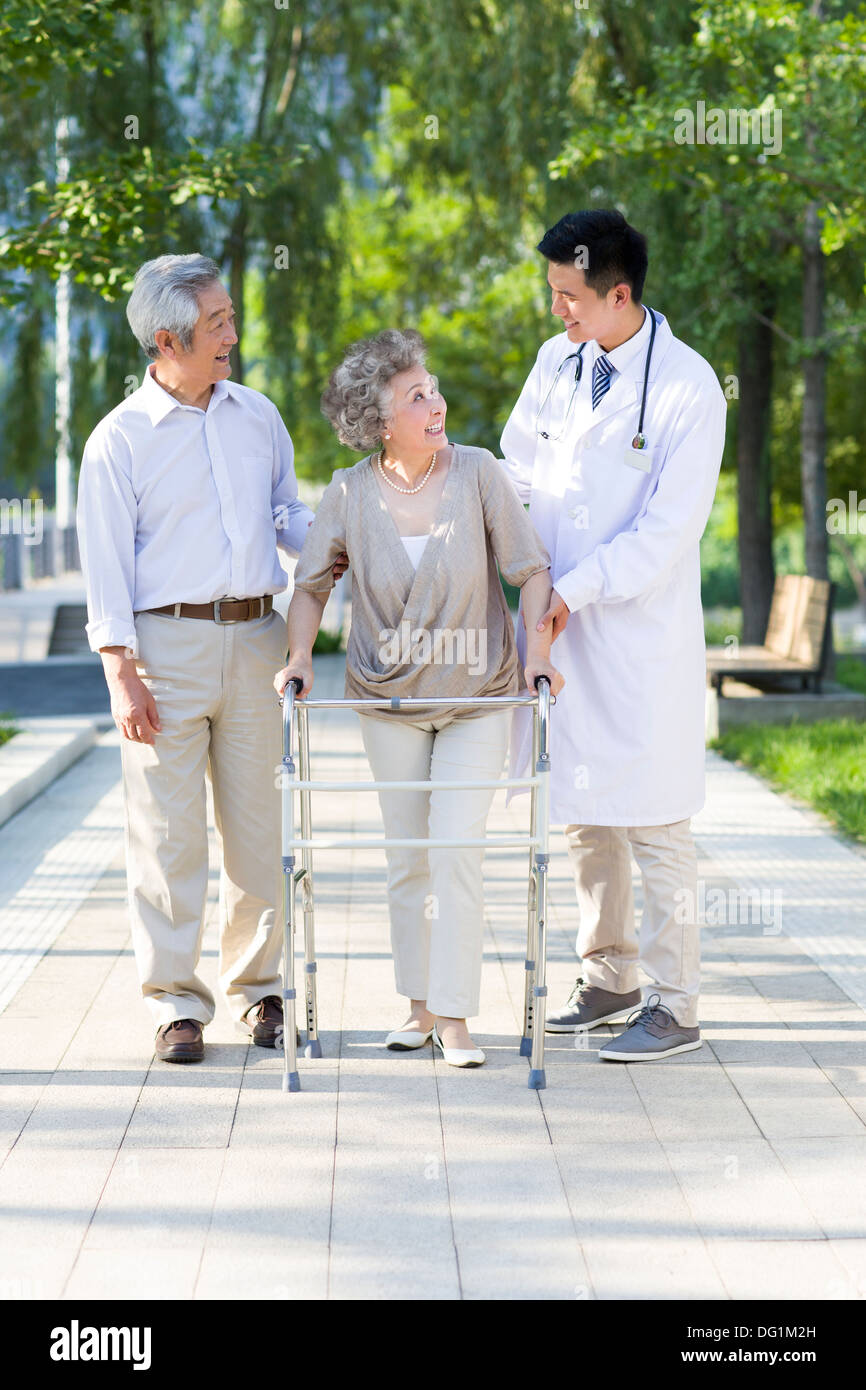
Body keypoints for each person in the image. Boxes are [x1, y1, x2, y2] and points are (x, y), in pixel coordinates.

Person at [77, 252, 344, 1064]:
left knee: (260, 829)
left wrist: (342, 542)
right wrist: (120, 670)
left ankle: (261, 993)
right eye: (218, 323)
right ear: (168, 339)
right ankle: (174, 1005)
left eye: (230, 316)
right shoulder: (118, 441)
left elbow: (285, 513)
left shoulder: (255, 414)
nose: (234, 331)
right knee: (168, 835)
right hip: (165, 648)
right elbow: (105, 562)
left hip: (259, 639)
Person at [275, 329, 563, 1067]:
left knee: (456, 849)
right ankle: (419, 1008)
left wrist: (538, 652)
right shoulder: (348, 490)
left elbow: (530, 570)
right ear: (379, 422)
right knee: (408, 856)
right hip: (385, 698)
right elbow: (311, 585)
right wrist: (301, 655)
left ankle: (459, 1018)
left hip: (478, 692)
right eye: (417, 397)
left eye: (432, 390)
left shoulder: (479, 474)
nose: (437, 405)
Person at [499, 210, 726, 1061]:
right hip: (560, 630)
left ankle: (678, 1004)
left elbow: (668, 536)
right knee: (585, 814)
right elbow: (518, 467)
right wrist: (522, 564)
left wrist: (574, 589)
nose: (556, 311)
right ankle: (610, 975)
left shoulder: (686, 388)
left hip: (636, 636)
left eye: (568, 297)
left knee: (657, 821)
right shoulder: (560, 361)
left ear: (618, 293)